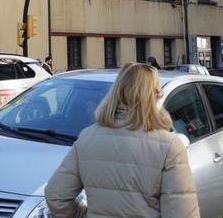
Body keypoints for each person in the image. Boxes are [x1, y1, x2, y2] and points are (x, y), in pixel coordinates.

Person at [44, 62, 199, 218]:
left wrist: (83, 214)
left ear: (116, 92)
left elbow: (56, 197)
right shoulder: (169, 146)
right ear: (154, 96)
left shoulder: (87, 137)